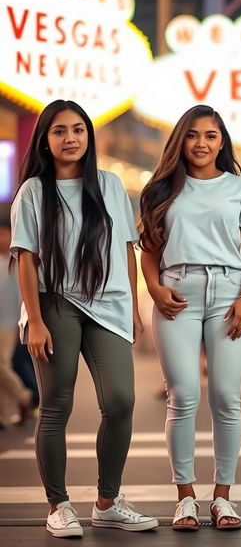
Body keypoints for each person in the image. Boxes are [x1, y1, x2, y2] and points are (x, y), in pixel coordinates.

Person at [10, 99, 158, 538]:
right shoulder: (34, 191)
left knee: (120, 401)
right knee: (56, 405)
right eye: (59, 131)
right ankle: (58, 505)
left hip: (108, 303)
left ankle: (108, 502)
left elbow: (127, 251)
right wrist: (34, 320)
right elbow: (25, 259)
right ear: (46, 139)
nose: (70, 138)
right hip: (54, 303)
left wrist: (132, 308)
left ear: (88, 136)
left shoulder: (110, 184)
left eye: (78, 129)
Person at [139, 105, 241, 531]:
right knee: (183, 397)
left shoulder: (240, 189)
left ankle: (223, 498)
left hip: (230, 295)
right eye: (193, 135)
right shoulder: (161, 189)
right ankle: (186, 498)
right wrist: (156, 291)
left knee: (226, 399)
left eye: (211, 136)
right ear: (181, 140)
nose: (201, 143)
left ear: (222, 142)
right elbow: (151, 250)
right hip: (177, 292)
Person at [0, 221, 36, 428]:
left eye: (4, 234)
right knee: (4, 367)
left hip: (8, 323)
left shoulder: (15, 262)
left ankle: (24, 396)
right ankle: (4, 415)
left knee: (2, 366)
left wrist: (19, 324)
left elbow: (22, 295)